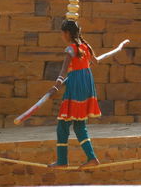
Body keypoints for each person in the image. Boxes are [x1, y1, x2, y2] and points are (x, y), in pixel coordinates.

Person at [48, 19, 101, 169]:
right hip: (86, 86)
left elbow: (63, 72)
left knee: (63, 125)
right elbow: (95, 61)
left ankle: (62, 161)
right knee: (79, 125)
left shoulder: (71, 49)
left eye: (62, 33)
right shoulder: (86, 46)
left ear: (67, 33)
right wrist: (86, 64)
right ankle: (91, 158)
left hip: (76, 87)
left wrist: (55, 87)